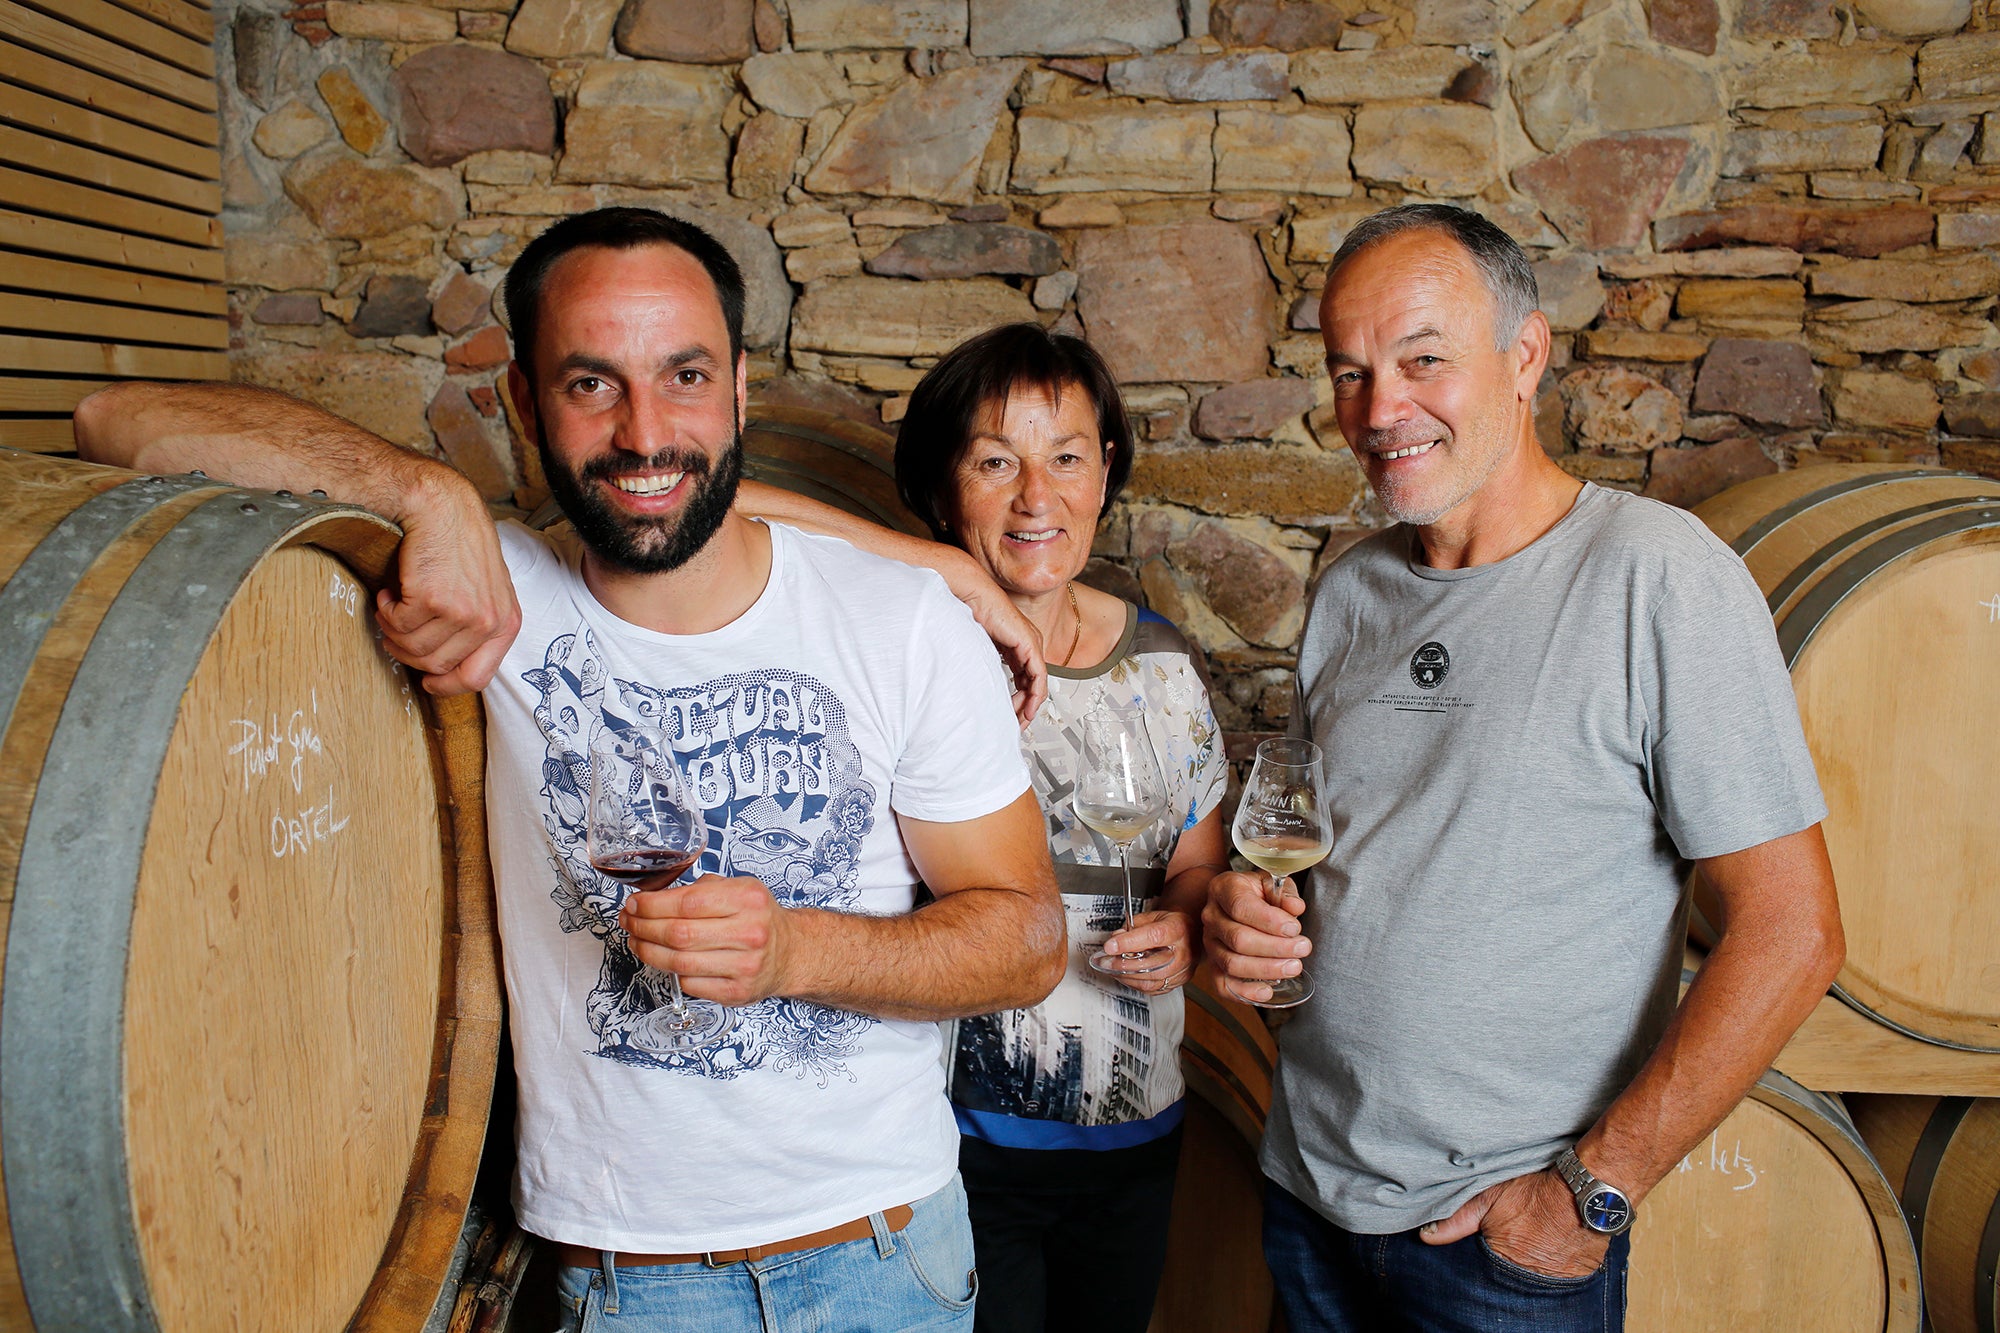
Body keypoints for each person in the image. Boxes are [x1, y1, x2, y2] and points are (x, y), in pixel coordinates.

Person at [73, 206, 1068, 1333]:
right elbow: (118, 419)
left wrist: (797, 946)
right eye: (591, 384)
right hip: (624, 1284)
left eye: (683, 375)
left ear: (738, 389)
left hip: (883, 1257)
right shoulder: (501, 598)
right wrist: (426, 492)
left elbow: (1028, 940)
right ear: (522, 403)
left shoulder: (900, 621)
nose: (645, 430)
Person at [1201, 203, 1845, 1333]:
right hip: (1308, 1198)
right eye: (1348, 373)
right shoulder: (1349, 590)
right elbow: (1336, 867)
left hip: (1499, 1246)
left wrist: (1586, 1195)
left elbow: (1791, 932)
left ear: (1526, 355)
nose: (1378, 410)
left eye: (1421, 361)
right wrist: (1243, 918)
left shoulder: (1655, 576)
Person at [814, 322, 1231, 1333]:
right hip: (950, 1144)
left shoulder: (1160, 667)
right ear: (940, 485)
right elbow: (737, 511)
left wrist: (1182, 923)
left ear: (1104, 474)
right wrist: (942, 576)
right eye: (995, 461)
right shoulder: (902, 655)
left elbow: (1197, 868)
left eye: (1065, 458)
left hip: (1134, 1134)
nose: (1035, 497)